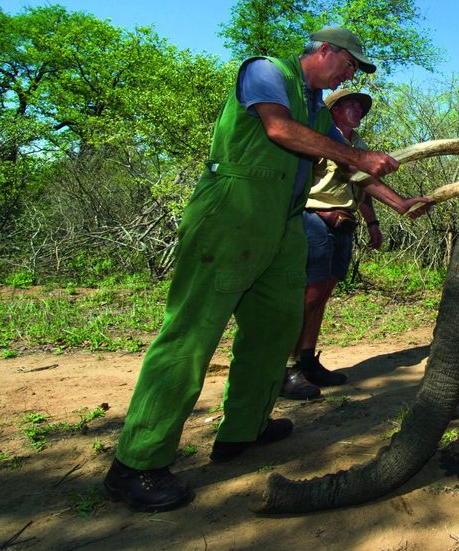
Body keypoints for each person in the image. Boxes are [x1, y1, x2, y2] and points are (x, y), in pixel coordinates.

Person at [104, 26, 399, 512]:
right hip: (232, 212)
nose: (350, 75)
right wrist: (357, 154)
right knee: (192, 334)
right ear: (325, 51)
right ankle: (136, 462)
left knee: (276, 325)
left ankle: (245, 427)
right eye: (349, 64)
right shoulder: (266, 72)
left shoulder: (316, 108)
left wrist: (399, 199)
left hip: (282, 224)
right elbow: (279, 130)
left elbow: (349, 165)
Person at [281, 87, 433, 399]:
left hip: (343, 222)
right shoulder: (323, 137)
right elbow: (352, 172)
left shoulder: (358, 145)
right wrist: (400, 203)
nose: (358, 110)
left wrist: (373, 222)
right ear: (334, 110)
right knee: (310, 294)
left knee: (323, 294)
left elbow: (361, 186)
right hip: (315, 218)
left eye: (360, 106)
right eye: (350, 104)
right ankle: (287, 368)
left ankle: (307, 360)